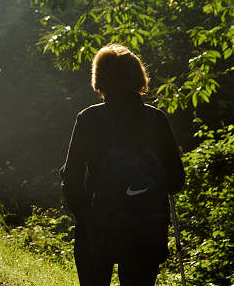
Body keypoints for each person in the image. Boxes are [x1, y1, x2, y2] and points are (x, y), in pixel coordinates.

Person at [60, 44, 185, 286]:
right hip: (145, 230)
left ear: (99, 79)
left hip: (98, 227)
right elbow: (176, 181)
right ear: (139, 76)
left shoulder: (89, 119)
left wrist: (86, 218)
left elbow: (72, 179)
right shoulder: (156, 119)